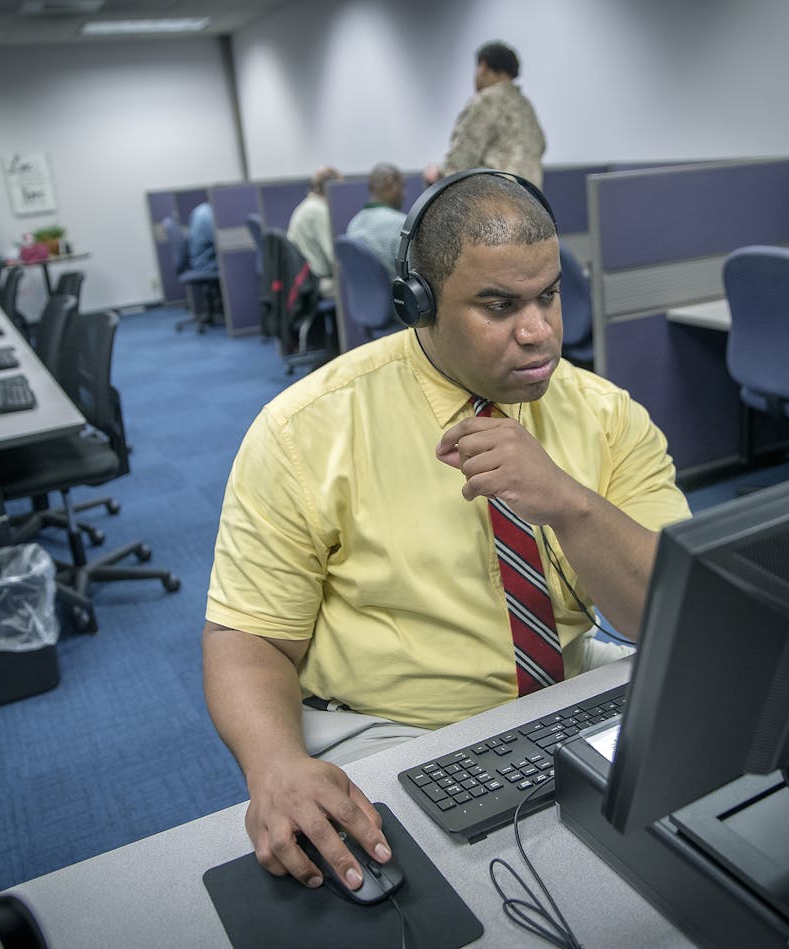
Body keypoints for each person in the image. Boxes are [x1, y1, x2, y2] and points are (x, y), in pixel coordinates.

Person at [203, 171, 689, 893]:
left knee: (687, 864)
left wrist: (568, 502)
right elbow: (249, 640)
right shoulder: (306, 431)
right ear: (418, 304)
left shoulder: (606, 416)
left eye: (548, 295)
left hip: (566, 693)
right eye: (499, 305)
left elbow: (666, 617)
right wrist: (274, 764)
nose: (540, 330)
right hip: (393, 728)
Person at [425, 41, 546, 188]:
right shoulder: (527, 108)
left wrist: (435, 175)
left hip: (494, 199)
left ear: (483, 66)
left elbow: (460, 161)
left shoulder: (486, 101)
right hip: (531, 202)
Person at [287, 166, 342, 298]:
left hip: (304, 280)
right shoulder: (319, 211)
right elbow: (333, 257)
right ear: (329, 187)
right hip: (319, 283)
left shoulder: (307, 205)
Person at [344, 163, 406, 279]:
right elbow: (414, 274)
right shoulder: (401, 225)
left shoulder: (353, 224)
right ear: (390, 183)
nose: (404, 194)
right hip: (395, 296)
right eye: (402, 186)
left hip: (362, 297)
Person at [184, 202, 218, 278]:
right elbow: (220, 242)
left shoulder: (200, 210)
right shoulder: (206, 215)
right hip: (206, 264)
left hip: (198, 261)